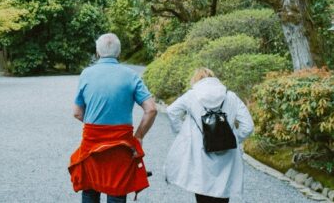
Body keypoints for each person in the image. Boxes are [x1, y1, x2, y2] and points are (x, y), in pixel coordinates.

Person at [68, 33, 158, 203]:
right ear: (119, 52)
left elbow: (77, 113)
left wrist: (96, 120)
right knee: (117, 193)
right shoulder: (131, 75)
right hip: (121, 145)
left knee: (90, 190)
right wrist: (138, 136)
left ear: (97, 52)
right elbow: (151, 109)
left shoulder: (86, 74)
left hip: (92, 145)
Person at [165, 67, 254, 203]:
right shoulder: (230, 96)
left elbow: (171, 111)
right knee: (223, 194)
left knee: (202, 192)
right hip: (227, 155)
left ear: (195, 80)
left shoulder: (191, 96)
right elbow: (248, 126)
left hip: (199, 155)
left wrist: (182, 133)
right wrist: (234, 138)